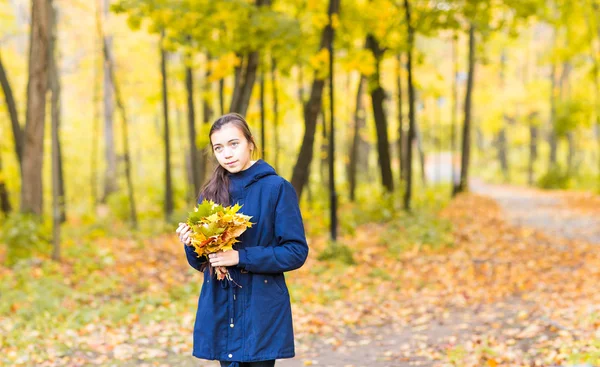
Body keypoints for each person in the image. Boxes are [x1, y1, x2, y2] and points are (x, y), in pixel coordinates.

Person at [176, 113, 309, 367]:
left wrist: (240, 257)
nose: (227, 154)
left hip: (261, 308)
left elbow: (295, 251)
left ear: (250, 143)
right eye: (219, 148)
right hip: (221, 305)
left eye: (233, 144)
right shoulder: (210, 192)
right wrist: (191, 242)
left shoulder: (277, 188)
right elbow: (202, 262)